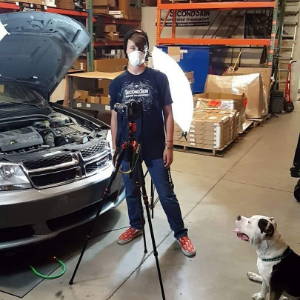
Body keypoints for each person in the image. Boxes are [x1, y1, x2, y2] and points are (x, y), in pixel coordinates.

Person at [109, 29, 196, 257]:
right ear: (125, 50)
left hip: (156, 146)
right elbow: (115, 115)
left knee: (165, 192)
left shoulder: (159, 78)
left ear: (146, 51)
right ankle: (136, 226)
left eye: (140, 48)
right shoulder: (117, 83)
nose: (136, 52)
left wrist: (170, 145)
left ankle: (180, 233)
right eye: (131, 48)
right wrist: (114, 146)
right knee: (130, 191)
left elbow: (168, 113)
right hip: (127, 146)